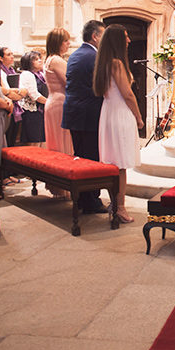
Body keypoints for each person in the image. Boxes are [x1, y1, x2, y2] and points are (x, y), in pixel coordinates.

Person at [93, 24, 144, 224]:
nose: (129, 40)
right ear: (117, 41)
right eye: (125, 37)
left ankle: (115, 204)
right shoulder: (117, 64)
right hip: (120, 112)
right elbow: (128, 94)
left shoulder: (103, 62)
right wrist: (139, 117)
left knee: (114, 162)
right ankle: (120, 207)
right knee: (120, 165)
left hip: (108, 112)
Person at [63, 20, 108, 214]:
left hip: (74, 113)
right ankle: (91, 201)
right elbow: (101, 85)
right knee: (91, 159)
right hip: (89, 113)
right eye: (103, 35)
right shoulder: (94, 57)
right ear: (95, 36)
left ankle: (81, 197)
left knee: (80, 156)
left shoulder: (75, 55)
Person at [44, 28, 73, 200]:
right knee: (62, 144)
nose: (68, 43)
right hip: (60, 103)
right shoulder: (57, 60)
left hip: (53, 102)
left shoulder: (49, 59)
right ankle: (64, 186)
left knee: (56, 143)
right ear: (57, 43)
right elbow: (69, 82)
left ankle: (58, 185)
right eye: (66, 41)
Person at [18, 51, 47, 145]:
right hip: (32, 112)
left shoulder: (40, 74)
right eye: (35, 59)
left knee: (42, 140)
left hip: (41, 110)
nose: (39, 60)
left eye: (39, 58)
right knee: (34, 141)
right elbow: (34, 95)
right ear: (28, 62)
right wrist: (50, 102)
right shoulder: (27, 74)